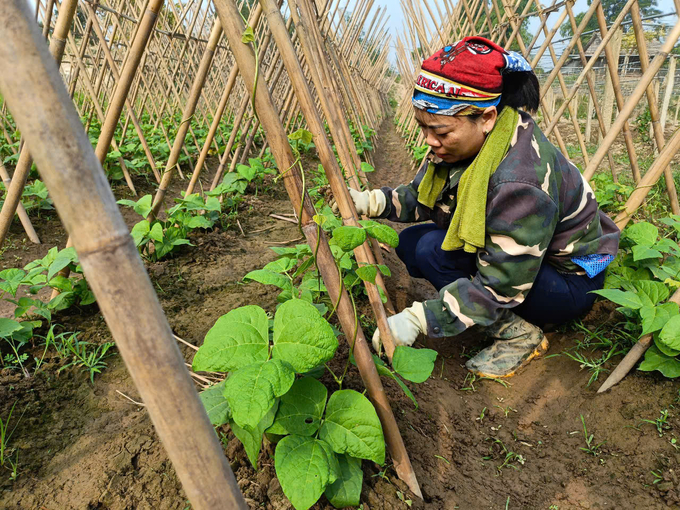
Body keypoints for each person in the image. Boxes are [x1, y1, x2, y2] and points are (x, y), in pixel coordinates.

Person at [350, 37, 620, 378]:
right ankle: (477, 309)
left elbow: (501, 284)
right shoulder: (471, 143)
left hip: (568, 282)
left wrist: (422, 319)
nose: (430, 141)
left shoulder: (520, 183)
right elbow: (424, 197)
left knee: (434, 251)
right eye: (423, 128)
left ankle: (519, 336)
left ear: (488, 117)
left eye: (440, 131)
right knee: (415, 244)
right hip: (529, 263)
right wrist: (372, 201)